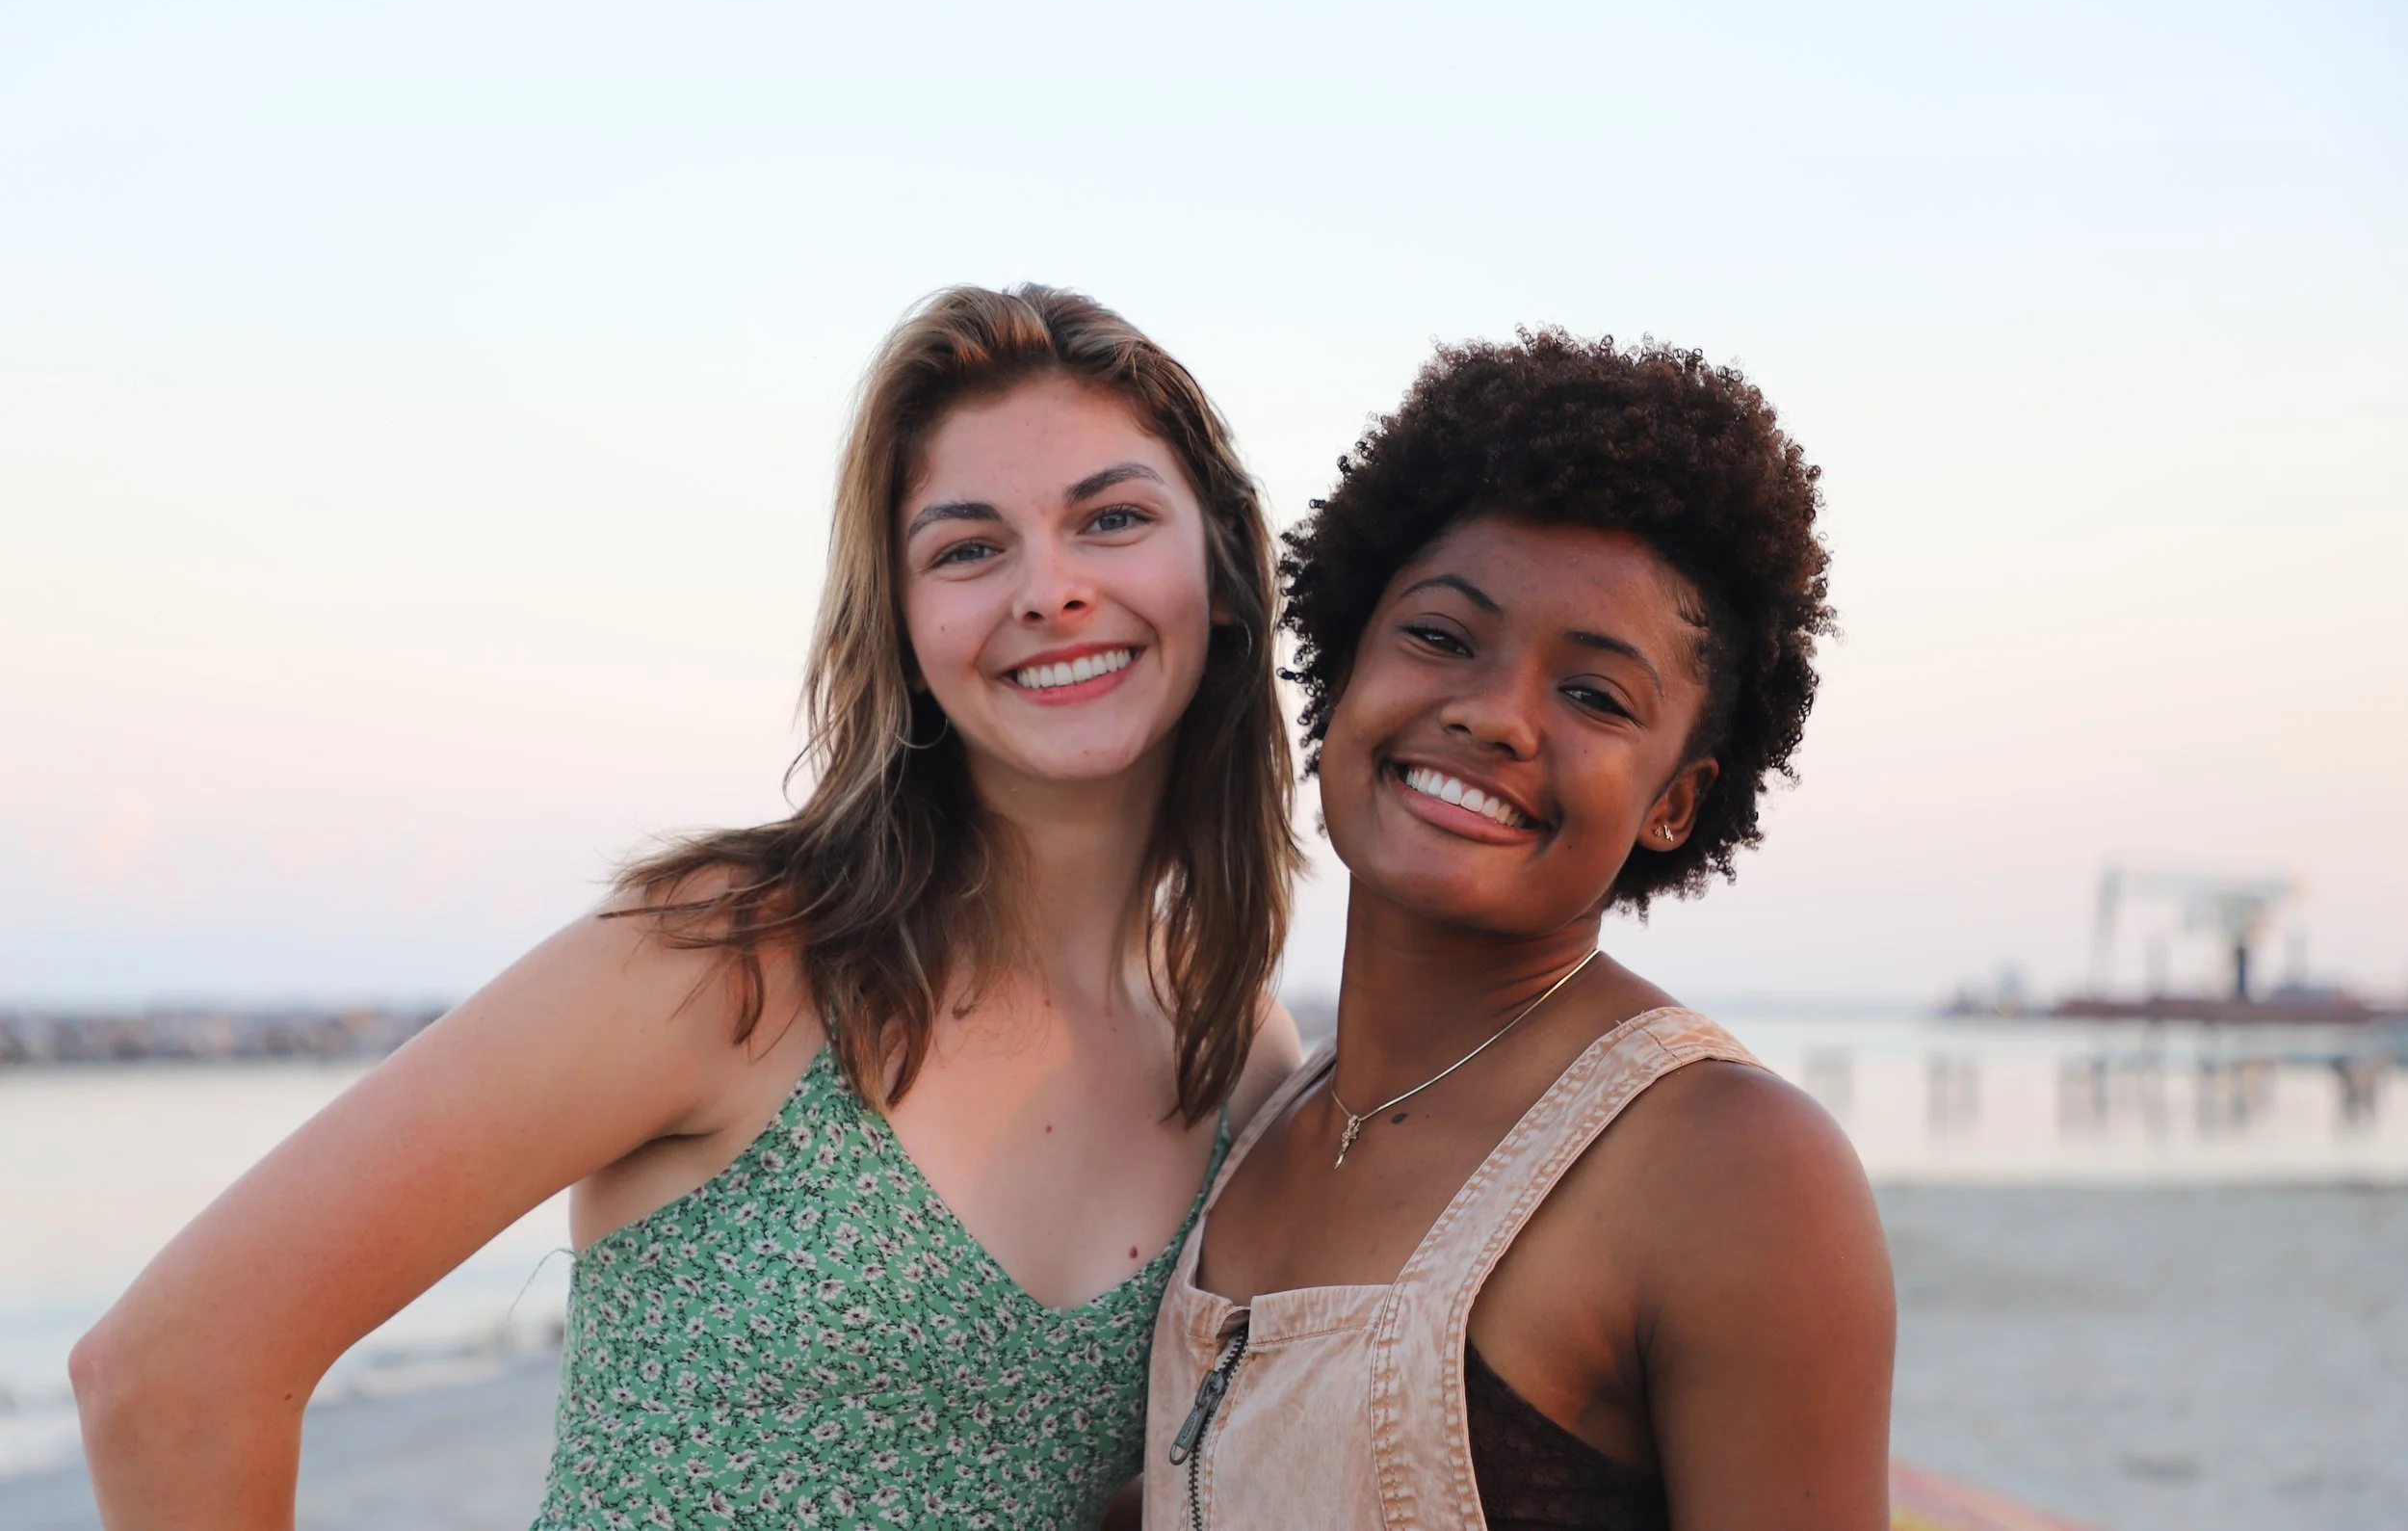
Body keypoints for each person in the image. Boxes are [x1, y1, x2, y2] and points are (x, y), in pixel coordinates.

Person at [71, 284, 1302, 1530]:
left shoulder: (1237, 1049)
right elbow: (171, 1374)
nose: (1051, 587)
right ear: (904, 621)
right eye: (969, 546)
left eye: (1113, 516)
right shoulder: (729, 961)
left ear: (1223, 567)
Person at [1146, 330, 1895, 1529]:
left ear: (1674, 801)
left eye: (1594, 694)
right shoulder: (1261, 1119)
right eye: (1441, 635)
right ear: (1341, 668)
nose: (1494, 714)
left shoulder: (1733, 1164)